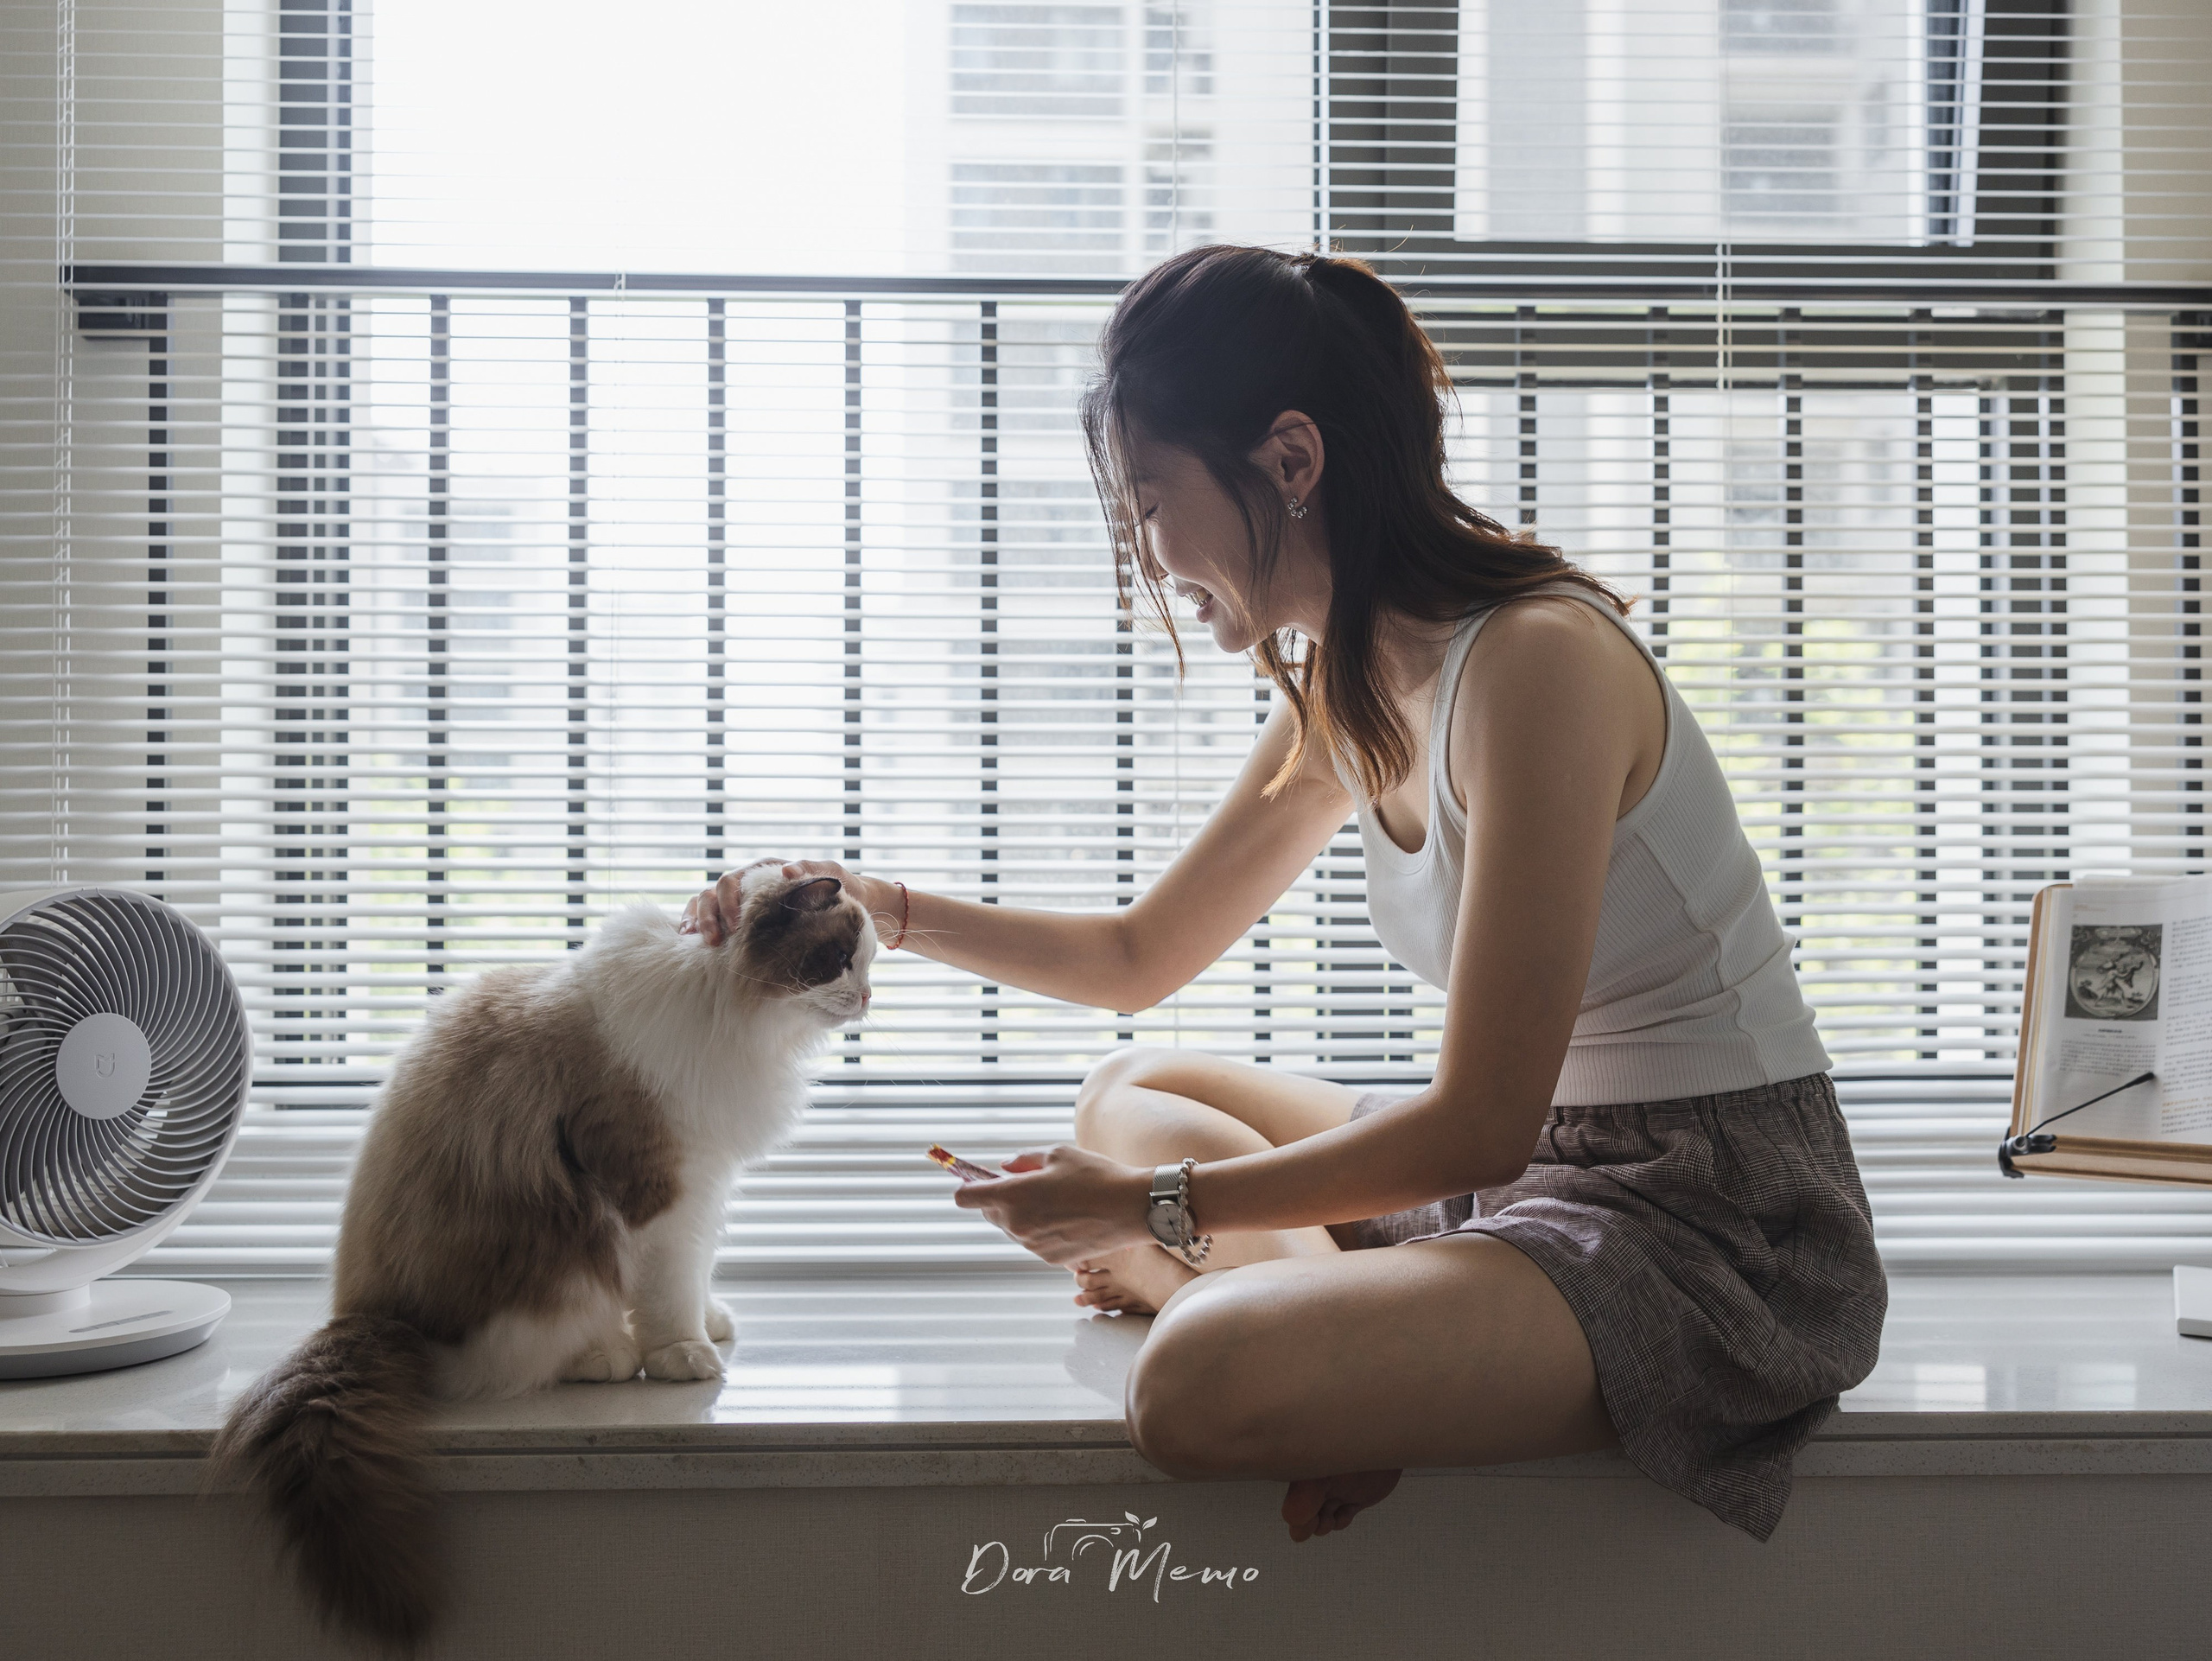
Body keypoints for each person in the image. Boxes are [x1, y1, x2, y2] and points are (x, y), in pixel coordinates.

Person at [683, 244, 1887, 1547]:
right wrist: (877, 901)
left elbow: (1481, 1122)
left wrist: (1152, 1214)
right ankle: (1349, 1367)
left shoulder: (1538, 664)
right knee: (1128, 1087)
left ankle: (1302, 1344)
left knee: (1193, 1382)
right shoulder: (1349, 685)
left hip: (1709, 1212)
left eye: (1150, 500)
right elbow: (1141, 953)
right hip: (1542, 1171)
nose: (1145, 550)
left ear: (1293, 461)